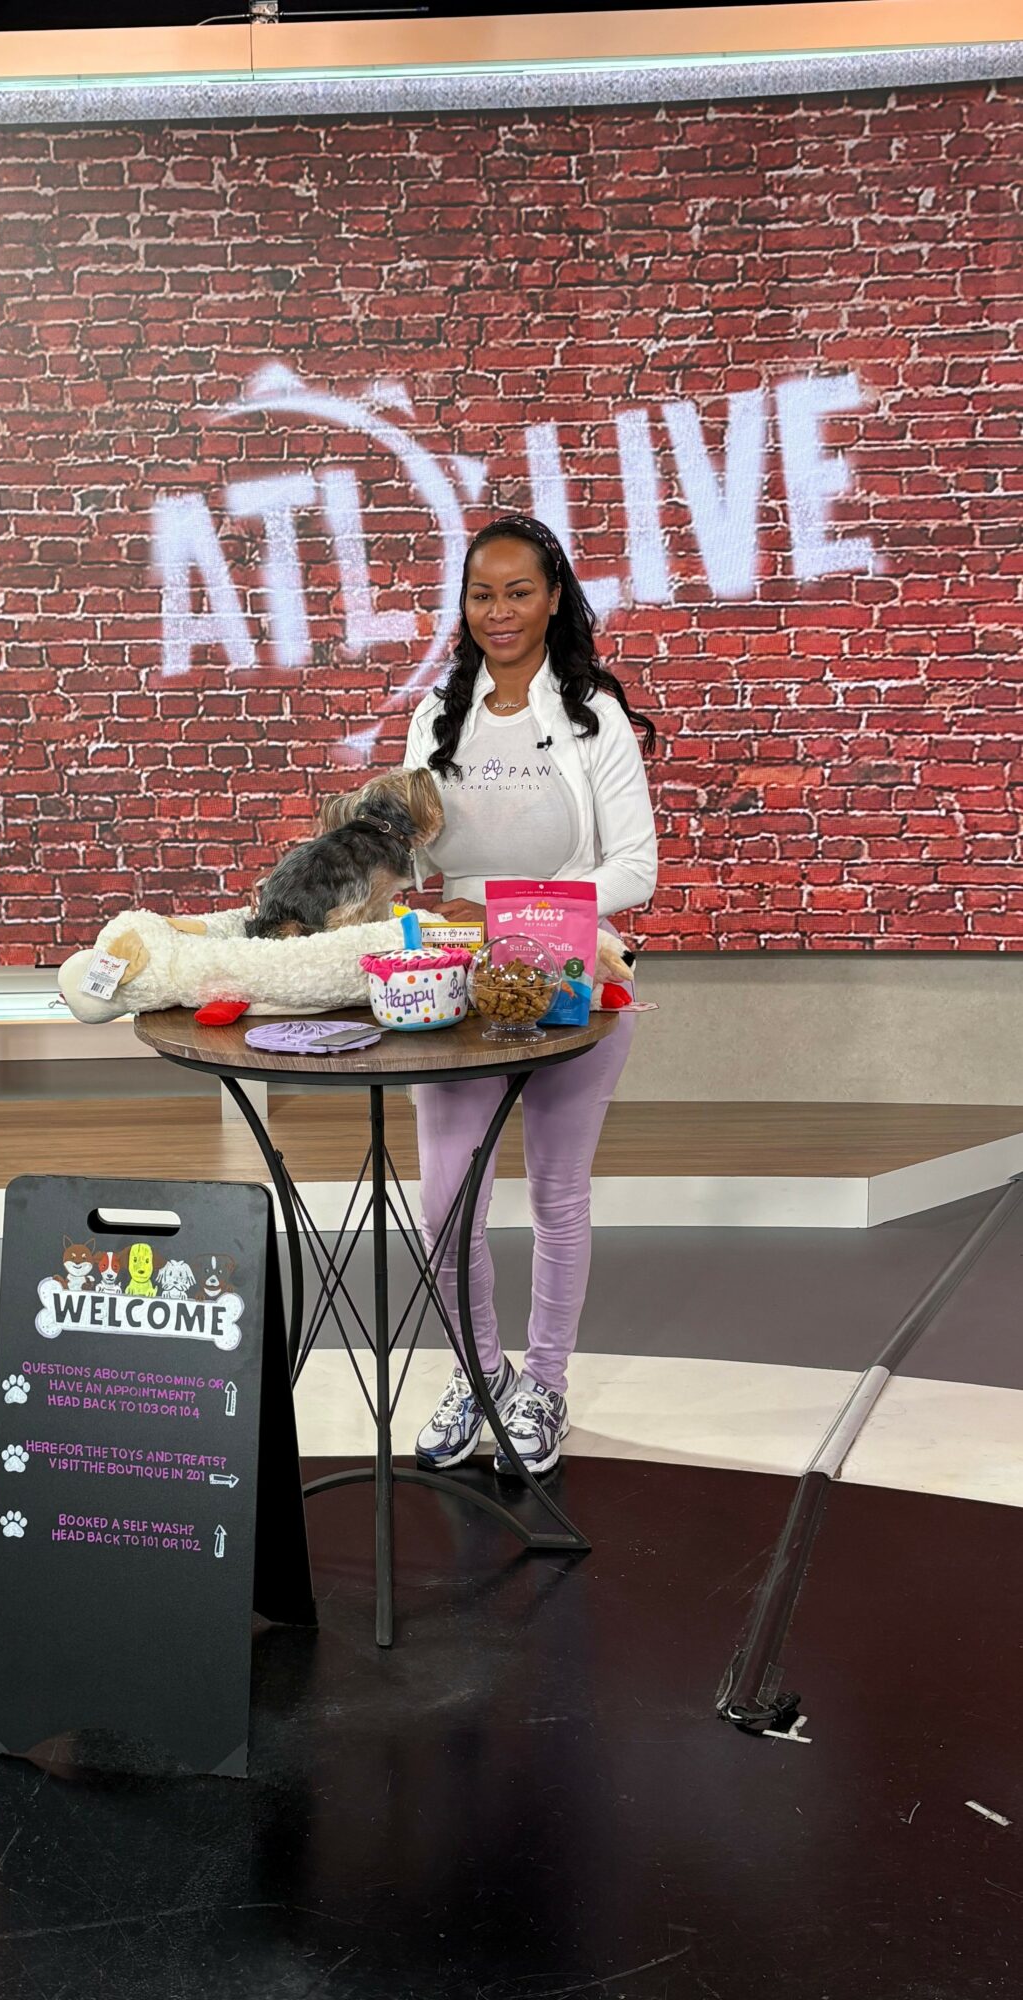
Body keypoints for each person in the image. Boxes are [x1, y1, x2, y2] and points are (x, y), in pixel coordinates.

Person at [402, 514, 658, 1475]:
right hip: (457, 981)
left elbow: (636, 867)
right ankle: (477, 1375)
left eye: (518, 592)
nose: (498, 611)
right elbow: (412, 851)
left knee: (557, 1193)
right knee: (444, 1205)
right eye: (482, 594)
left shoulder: (594, 716)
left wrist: (519, 911)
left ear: (554, 599)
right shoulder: (437, 713)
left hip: (572, 976)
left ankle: (544, 1384)